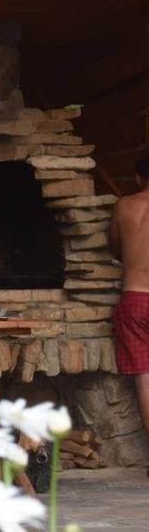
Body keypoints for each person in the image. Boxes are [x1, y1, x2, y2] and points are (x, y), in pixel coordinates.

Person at [108, 156, 149, 450]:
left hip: (135, 299)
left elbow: (115, 247)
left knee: (146, 382)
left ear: (137, 178)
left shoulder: (123, 206)